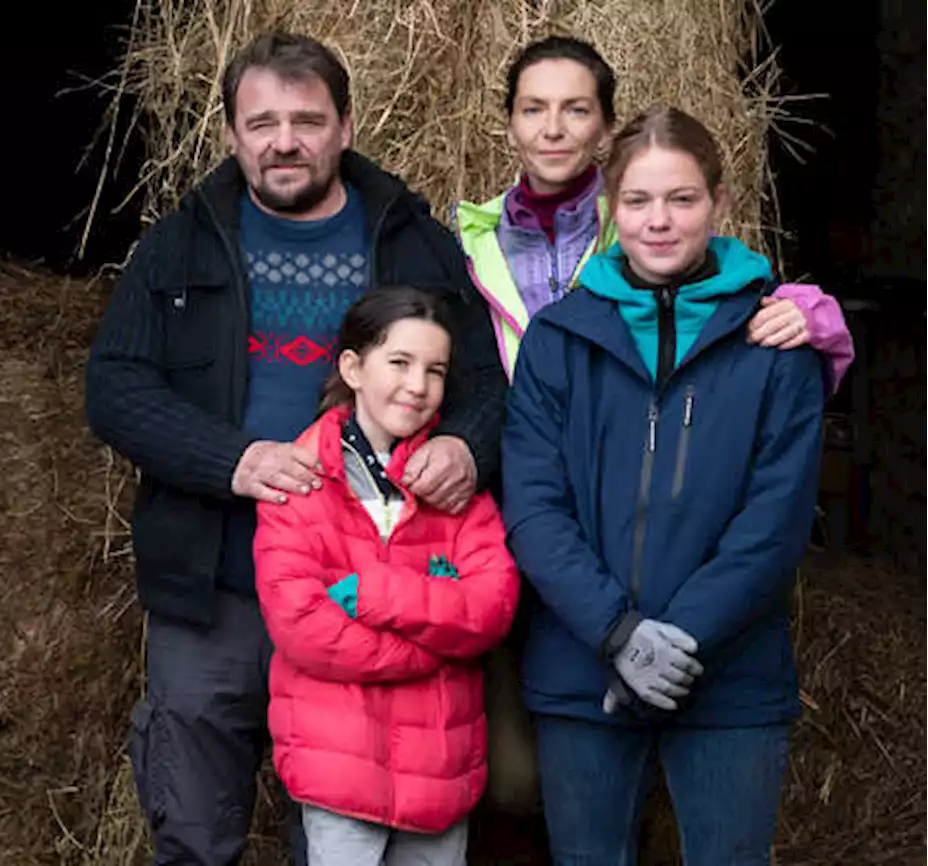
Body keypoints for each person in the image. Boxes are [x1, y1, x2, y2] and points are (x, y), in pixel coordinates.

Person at [84, 31, 507, 866]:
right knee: (198, 819)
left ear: (345, 127)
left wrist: (465, 445)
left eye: (306, 120)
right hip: (219, 583)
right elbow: (115, 389)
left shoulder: (409, 240)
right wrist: (232, 460)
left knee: (345, 826)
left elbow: (487, 383)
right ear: (234, 134)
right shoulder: (183, 243)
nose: (284, 141)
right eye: (262, 122)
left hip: (369, 586)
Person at [452, 34, 854, 820]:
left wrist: (684, 635)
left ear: (721, 203)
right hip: (580, 663)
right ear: (611, 207)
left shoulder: (774, 339)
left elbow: (773, 522)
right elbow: (536, 504)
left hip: (730, 674)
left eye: (683, 200)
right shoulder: (561, 338)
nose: (660, 222)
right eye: (638, 202)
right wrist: (615, 632)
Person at [253, 285, 521, 866]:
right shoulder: (300, 477)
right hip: (339, 763)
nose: (417, 385)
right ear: (352, 366)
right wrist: (432, 647)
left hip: (439, 768)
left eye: (435, 370)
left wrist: (373, 595)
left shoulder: (455, 488)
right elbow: (303, 626)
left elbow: (491, 605)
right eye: (398, 362)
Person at [454, 35, 854, 388]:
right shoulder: (471, 239)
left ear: (608, 126)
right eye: (533, 109)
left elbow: (724, 279)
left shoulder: (643, 223)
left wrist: (815, 315)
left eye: (576, 109)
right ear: (509, 126)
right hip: (517, 459)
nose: (553, 128)